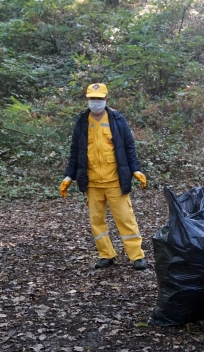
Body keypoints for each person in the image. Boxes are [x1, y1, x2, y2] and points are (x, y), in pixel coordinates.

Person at [60, 83, 148, 270]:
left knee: (125, 218)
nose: (96, 103)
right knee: (96, 221)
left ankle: (137, 256)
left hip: (115, 180)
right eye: (93, 99)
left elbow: (129, 147)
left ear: (106, 100)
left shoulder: (117, 119)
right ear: (87, 100)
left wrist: (136, 170)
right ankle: (106, 255)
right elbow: (75, 151)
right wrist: (69, 176)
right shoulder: (82, 122)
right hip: (92, 182)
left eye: (99, 99)